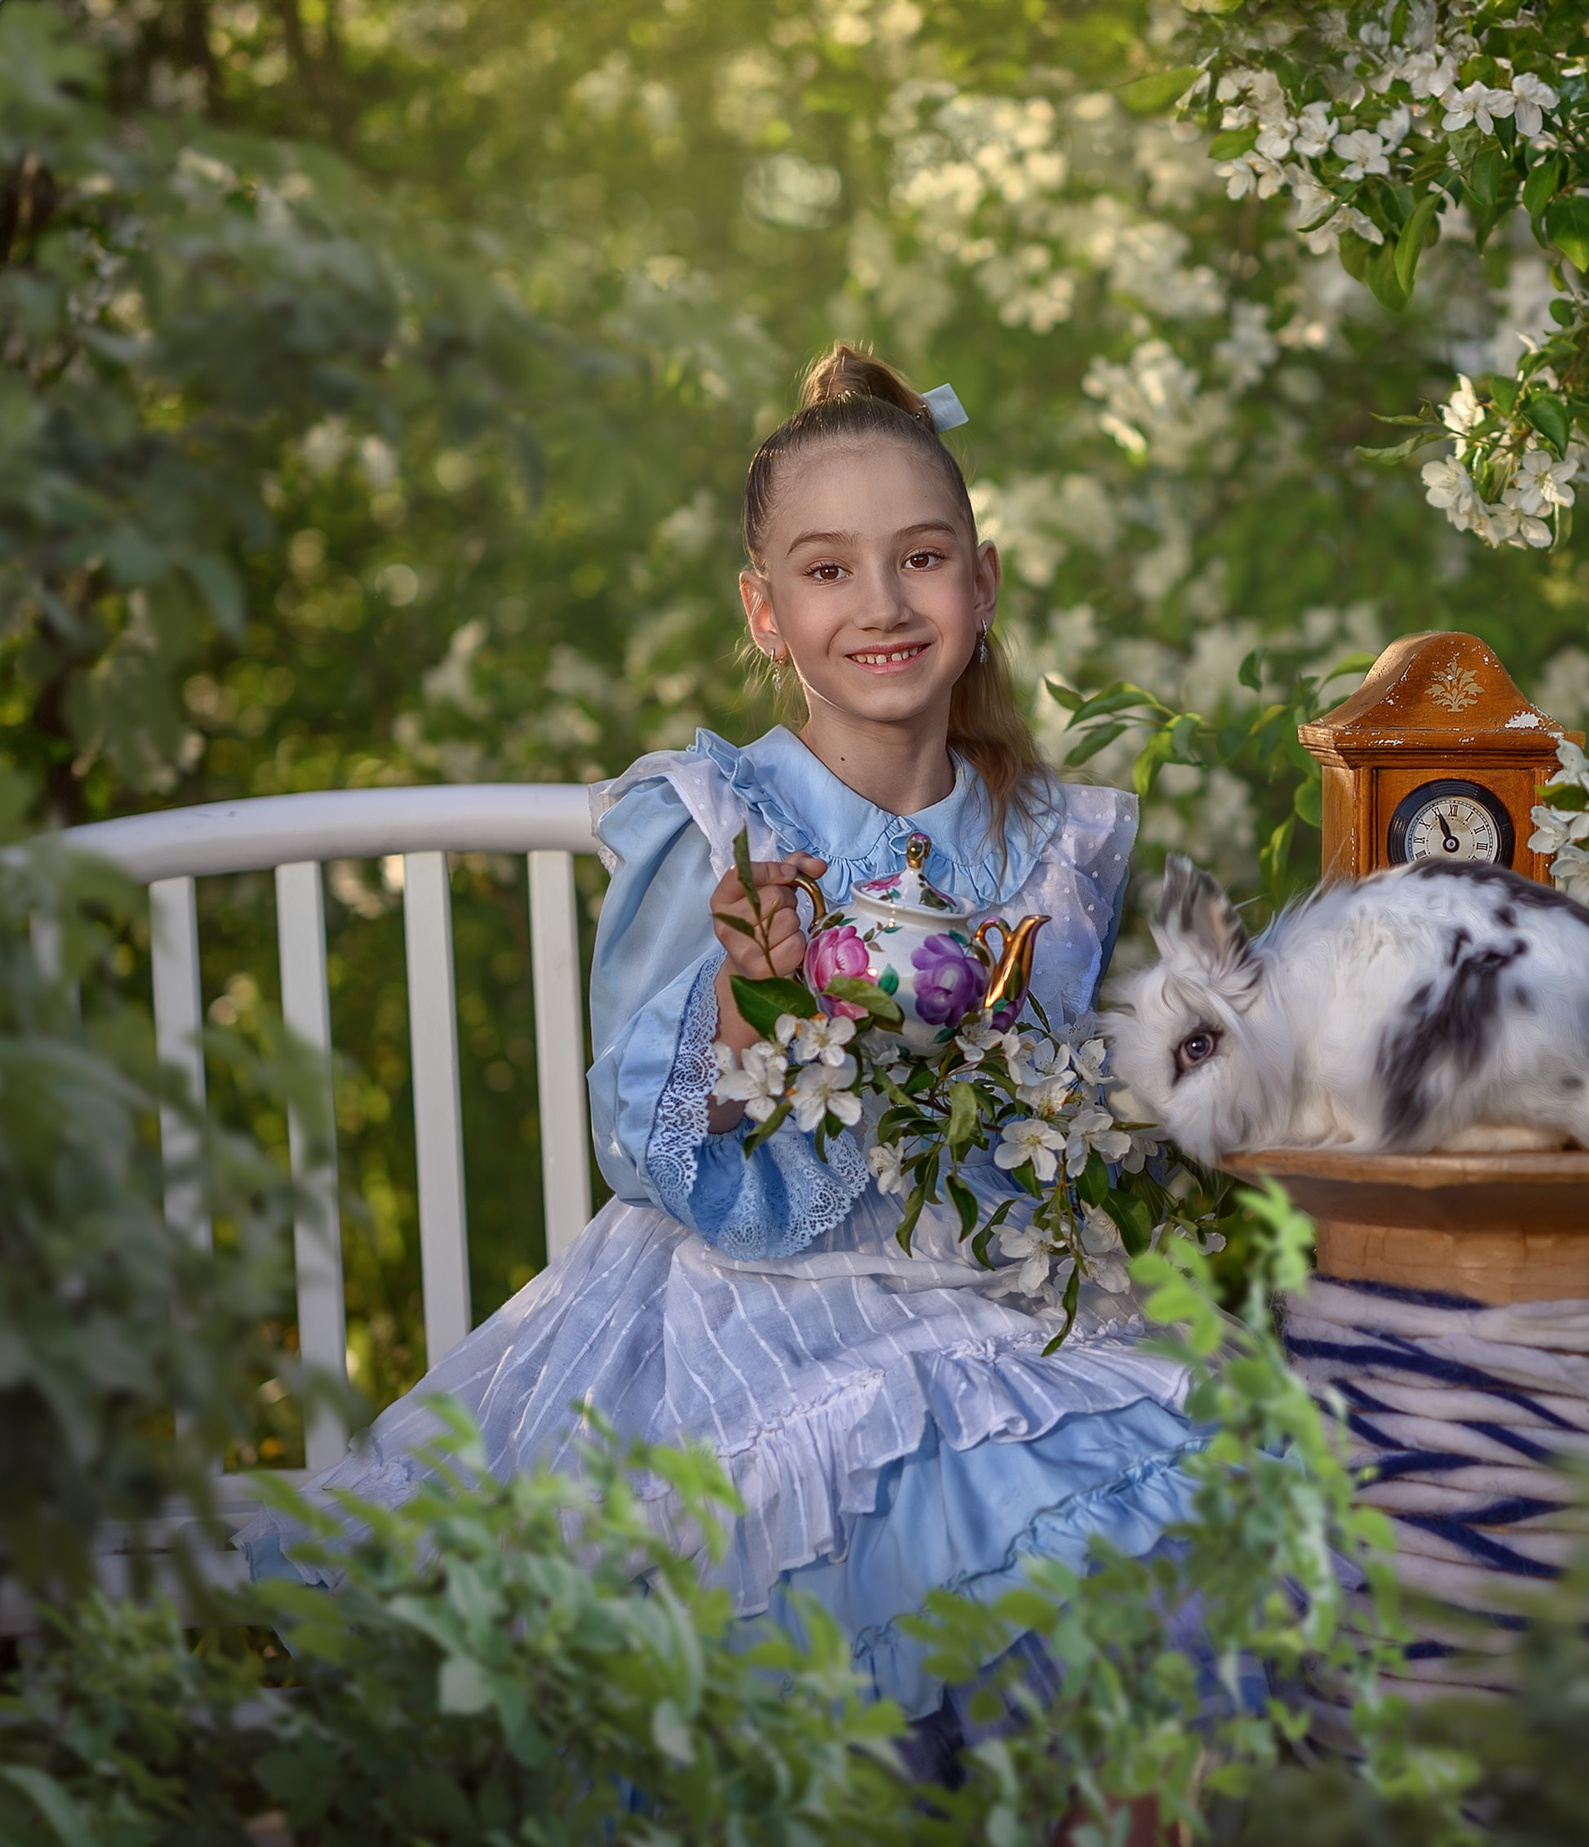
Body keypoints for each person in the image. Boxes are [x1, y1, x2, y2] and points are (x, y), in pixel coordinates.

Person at [239, 346, 1209, 1774]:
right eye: (828, 572)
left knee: (1157, 1509)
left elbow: (1074, 1104)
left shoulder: (1058, 841)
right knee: (847, 1524)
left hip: (988, 1304)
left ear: (982, 584)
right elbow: (650, 1144)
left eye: (921, 559)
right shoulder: (714, 817)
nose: (882, 606)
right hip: (748, 1315)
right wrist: (755, 990)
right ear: (765, 611)